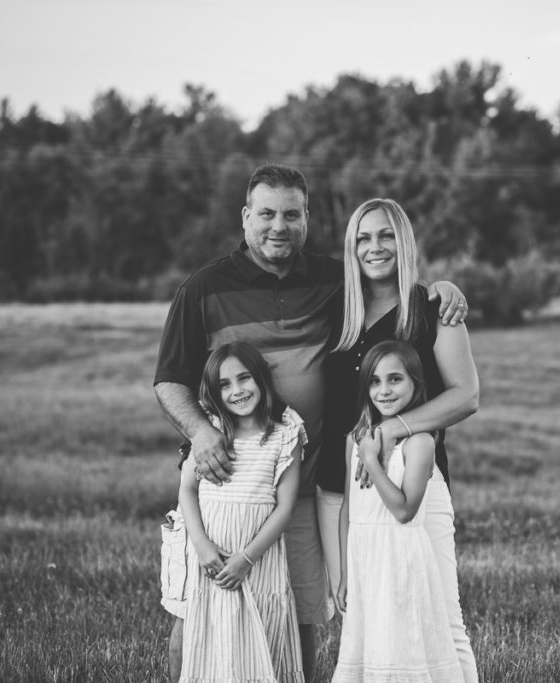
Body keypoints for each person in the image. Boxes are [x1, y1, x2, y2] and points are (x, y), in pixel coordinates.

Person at [154, 164, 468, 681]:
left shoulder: (333, 280)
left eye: (292, 214)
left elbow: (389, 278)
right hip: (226, 479)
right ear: (245, 217)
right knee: (197, 614)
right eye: (267, 213)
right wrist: (202, 432)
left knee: (298, 612)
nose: (279, 226)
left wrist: (441, 288)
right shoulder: (203, 288)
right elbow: (169, 379)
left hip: (305, 476)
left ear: (306, 219)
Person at [317, 198, 479, 681]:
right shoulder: (337, 309)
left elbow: (466, 395)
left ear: (403, 241)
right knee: (362, 620)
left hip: (414, 484)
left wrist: (392, 428)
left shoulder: (432, 309)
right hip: (341, 487)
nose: (375, 247)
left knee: (440, 618)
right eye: (363, 238)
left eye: (386, 235)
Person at [332, 341, 463, 682]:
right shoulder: (355, 438)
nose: (384, 390)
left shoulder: (419, 442)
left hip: (400, 556)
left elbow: (404, 510)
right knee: (370, 641)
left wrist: (372, 461)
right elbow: (349, 508)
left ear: (415, 384)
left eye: (395, 380)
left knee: (402, 642)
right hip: (365, 557)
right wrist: (345, 572)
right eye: (375, 382)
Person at [177, 342, 304, 682]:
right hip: (212, 562)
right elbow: (187, 490)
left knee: (260, 643)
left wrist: (245, 558)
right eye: (224, 385)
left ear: (261, 379)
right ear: (214, 393)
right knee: (215, 647)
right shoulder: (212, 432)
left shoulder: (285, 434)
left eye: (244, 378)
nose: (237, 391)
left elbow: (285, 507)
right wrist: (203, 548)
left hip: (257, 563)